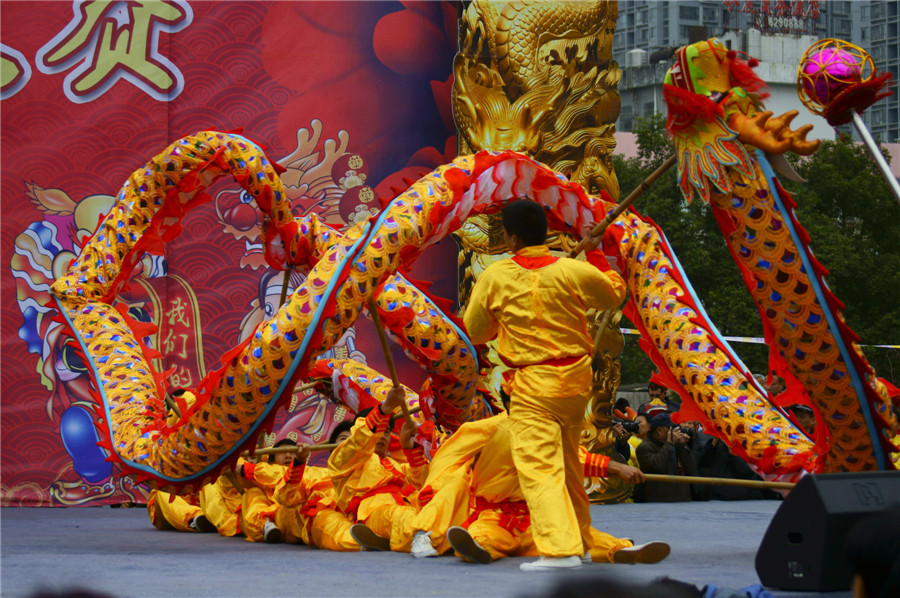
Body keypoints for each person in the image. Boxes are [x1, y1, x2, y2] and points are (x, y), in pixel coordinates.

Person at [463, 199, 627, 570]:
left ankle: (559, 549)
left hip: (534, 386)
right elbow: (612, 294)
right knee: (569, 465)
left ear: (512, 238)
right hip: (574, 386)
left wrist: (503, 321)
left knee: (539, 467)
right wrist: (597, 255)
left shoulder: (497, 276)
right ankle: (582, 540)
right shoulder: (571, 269)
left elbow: (475, 330)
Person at [328, 387, 428, 552]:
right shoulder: (347, 460)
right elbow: (359, 443)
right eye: (379, 431)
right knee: (399, 516)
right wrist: (386, 408)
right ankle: (422, 537)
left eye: (387, 432)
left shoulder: (395, 465)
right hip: (373, 513)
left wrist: (408, 447)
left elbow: (422, 483)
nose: (382, 436)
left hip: (406, 507)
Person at [635, 413, 697, 502]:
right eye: (672, 428)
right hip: (658, 501)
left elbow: (691, 468)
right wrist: (668, 444)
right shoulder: (644, 447)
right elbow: (658, 466)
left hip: (683, 499)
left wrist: (682, 446)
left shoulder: (676, 444)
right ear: (659, 430)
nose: (676, 431)